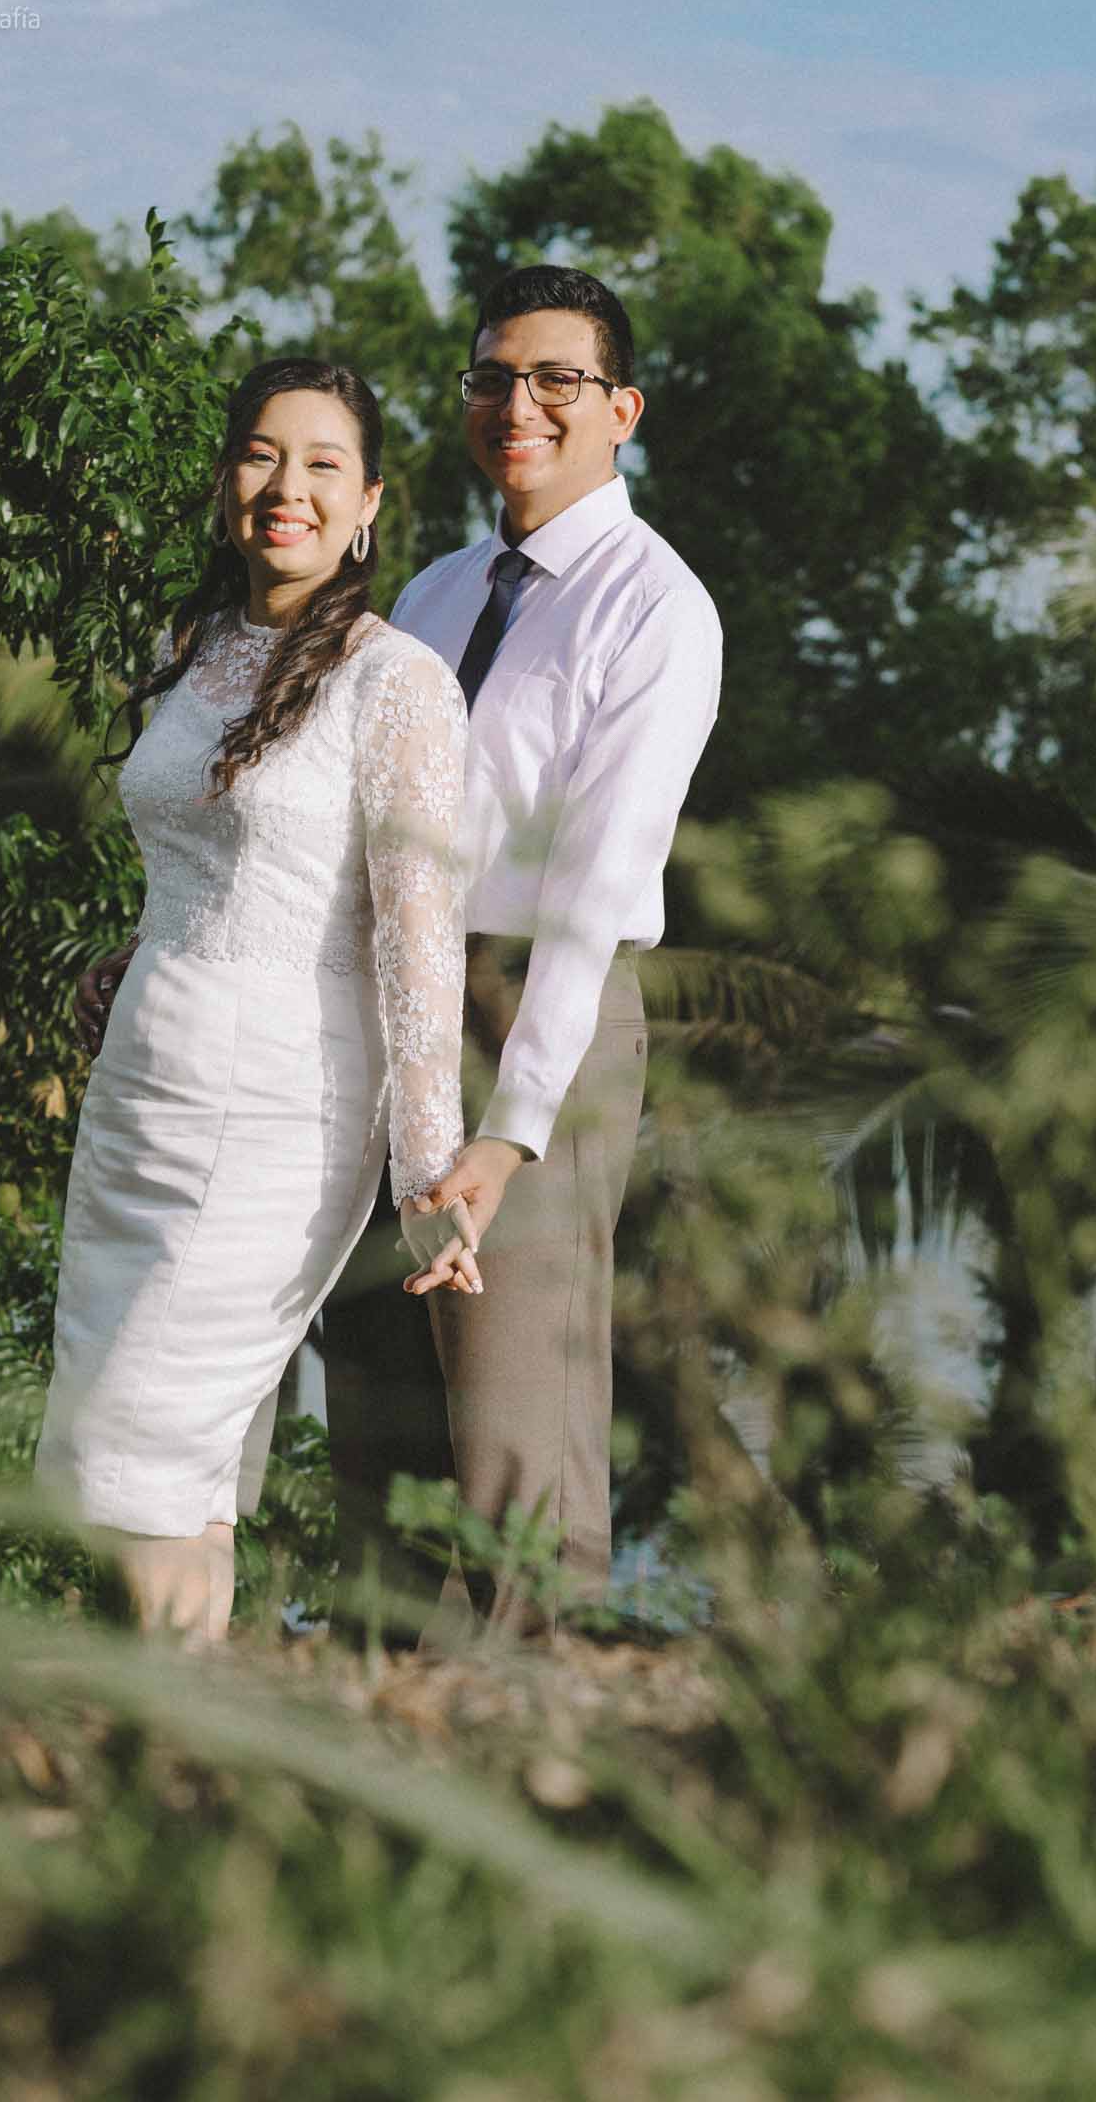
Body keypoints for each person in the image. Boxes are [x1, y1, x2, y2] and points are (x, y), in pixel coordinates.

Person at [36, 357, 479, 1648]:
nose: (287, 486)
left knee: (146, 1439)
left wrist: (429, 1169)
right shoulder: (193, 650)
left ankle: (168, 1715)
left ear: (368, 505)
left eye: (323, 464)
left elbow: (418, 934)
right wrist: (135, 954)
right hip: (143, 1081)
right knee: (133, 1451)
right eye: (261, 455)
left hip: (278, 1100)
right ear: (227, 480)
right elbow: (211, 861)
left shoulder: (398, 682)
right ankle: (172, 1724)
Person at [321, 264, 724, 1638]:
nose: (519, 405)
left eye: (557, 379)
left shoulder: (653, 606)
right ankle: (373, 1710)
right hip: (393, 999)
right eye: (493, 377)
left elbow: (596, 890)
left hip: (533, 1006)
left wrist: (511, 1134)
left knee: (511, 1413)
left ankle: (544, 1714)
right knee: (375, 1392)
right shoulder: (432, 592)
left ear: (622, 409)